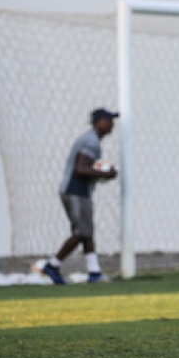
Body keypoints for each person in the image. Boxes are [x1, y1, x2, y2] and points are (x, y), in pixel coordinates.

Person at [42, 108, 119, 285]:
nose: (112, 125)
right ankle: (53, 265)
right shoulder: (91, 142)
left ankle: (94, 272)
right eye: (108, 120)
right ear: (98, 122)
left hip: (80, 191)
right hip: (74, 191)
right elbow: (81, 168)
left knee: (87, 232)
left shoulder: (92, 141)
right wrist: (104, 174)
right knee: (81, 232)